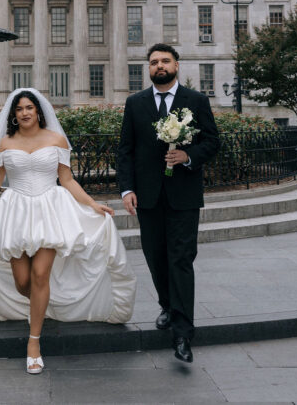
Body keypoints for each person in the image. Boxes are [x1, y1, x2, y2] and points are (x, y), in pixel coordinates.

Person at [0, 88, 136, 375]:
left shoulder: (56, 140)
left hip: (50, 211)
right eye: (19, 109)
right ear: (13, 115)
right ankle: (47, 302)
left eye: (29, 107)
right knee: (22, 281)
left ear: (39, 111)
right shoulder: (5, 143)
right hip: (16, 211)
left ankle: (34, 342)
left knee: (41, 274)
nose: (25, 113)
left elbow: (67, 179)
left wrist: (92, 204)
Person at [116, 43, 220, 364]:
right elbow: (126, 151)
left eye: (165, 61)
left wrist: (189, 156)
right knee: (156, 257)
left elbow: (213, 141)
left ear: (176, 64)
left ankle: (182, 333)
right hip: (147, 196)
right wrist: (126, 190)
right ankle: (167, 305)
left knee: (181, 260)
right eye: (153, 62)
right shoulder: (135, 104)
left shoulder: (196, 101)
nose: (159, 66)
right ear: (148, 69)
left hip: (184, 196)